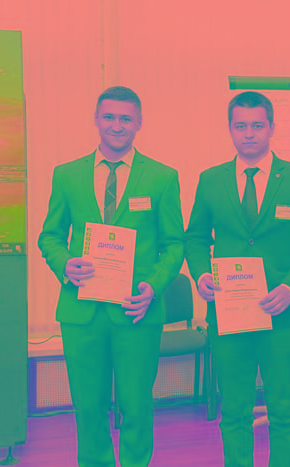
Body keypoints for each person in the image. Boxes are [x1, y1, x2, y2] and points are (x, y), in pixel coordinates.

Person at [38, 86, 184, 466]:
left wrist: (153, 287)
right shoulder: (67, 175)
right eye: (109, 117)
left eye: (125, 118)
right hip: (81, 312)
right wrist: (64, 262)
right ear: (96, 119)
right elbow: (50, 236)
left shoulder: (162, 177)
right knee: (88, 407)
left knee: (136, 406)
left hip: (136, 311)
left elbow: (174, 245)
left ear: (139, 123)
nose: (116, 125)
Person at [184, 91, 290, 467]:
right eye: (241, 126)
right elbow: (195, 238)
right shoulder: (210, 180)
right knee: (234, 411)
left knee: (284, 411)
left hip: (283, 316)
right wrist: (201, 274)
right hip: (229, 316)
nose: (249, 134)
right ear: (230, 128)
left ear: (272, 128)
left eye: (257, 126)